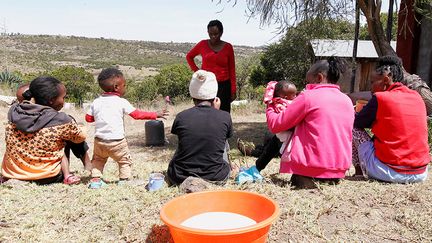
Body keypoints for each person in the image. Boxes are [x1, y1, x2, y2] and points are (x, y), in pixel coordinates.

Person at [266, 57, 354, 188]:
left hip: (310, 168)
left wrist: (270, 104)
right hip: (338, 170)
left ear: (319, 78)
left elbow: (276, 125)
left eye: (308, 82)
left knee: (274, 138)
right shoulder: (346, 100)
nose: (306, 87)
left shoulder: (308, 97)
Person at [86, 67, 168, 189]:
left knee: (98, 160)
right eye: (124, 85)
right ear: (116, 87)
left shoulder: (96, 102)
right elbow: (137, 115)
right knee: (124, 161)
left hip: (100, 141)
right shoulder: (121, 102)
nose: (125, 87)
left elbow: (89, 118)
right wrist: (155, 114)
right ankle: (124, 181)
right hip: (117, 141)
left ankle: (96, 181)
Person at [352, 56, 429, 183]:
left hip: (390, 172)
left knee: (351, 125)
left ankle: (360, 171)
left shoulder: (380, 98)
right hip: (420, 173)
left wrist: (356, 110)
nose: (370, 87)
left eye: (372, 82)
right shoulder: (417, 97)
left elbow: (357, 122)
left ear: (386, 80)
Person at [1, 77, 86, 185]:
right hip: (47, 176)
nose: (64, 102)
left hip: (14, 174)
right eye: (63, 98)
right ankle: (81, 169)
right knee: (70, 134)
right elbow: (80, 138)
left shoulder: (14, 112)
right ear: (51, 100)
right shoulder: (61, 120)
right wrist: (79, 125)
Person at [167, 70, 233, 185]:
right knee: (222, 139)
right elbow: (220, 138)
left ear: (192, 94)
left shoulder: (181, 117)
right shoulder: (225, 117)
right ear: (215, 97)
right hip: (216, 177)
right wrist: (216, 112)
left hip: (180, 177)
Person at [16, 83, 92, 172]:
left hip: (20, 171)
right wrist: (79, 127)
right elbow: (80, 136)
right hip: (50, 172)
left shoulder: (14, 118)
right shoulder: (59, 121)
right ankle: (87, 164)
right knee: (70, 130)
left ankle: (87, 164)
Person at [236, 80, 297, 183]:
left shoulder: (281, 105)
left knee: (271, 142)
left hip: (287, 141)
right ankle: (253, 153)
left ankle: (252, 153)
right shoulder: (282, 104)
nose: (296, 97)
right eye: (294, 95)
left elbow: (278, 125)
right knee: (267, 144)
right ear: (286, 97)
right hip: (285, 138)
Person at [186, 19, 236, 113]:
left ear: (221, 32)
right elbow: (189, 57)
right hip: (206, 84)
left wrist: (233, 90)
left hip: (224, 86)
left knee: (223, 113)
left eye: (216, 34)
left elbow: (232, 69)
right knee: (206, 112)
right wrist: (197, 72)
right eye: (210, 34)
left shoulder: (228, 47)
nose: (213, 36)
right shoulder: (202, 44)